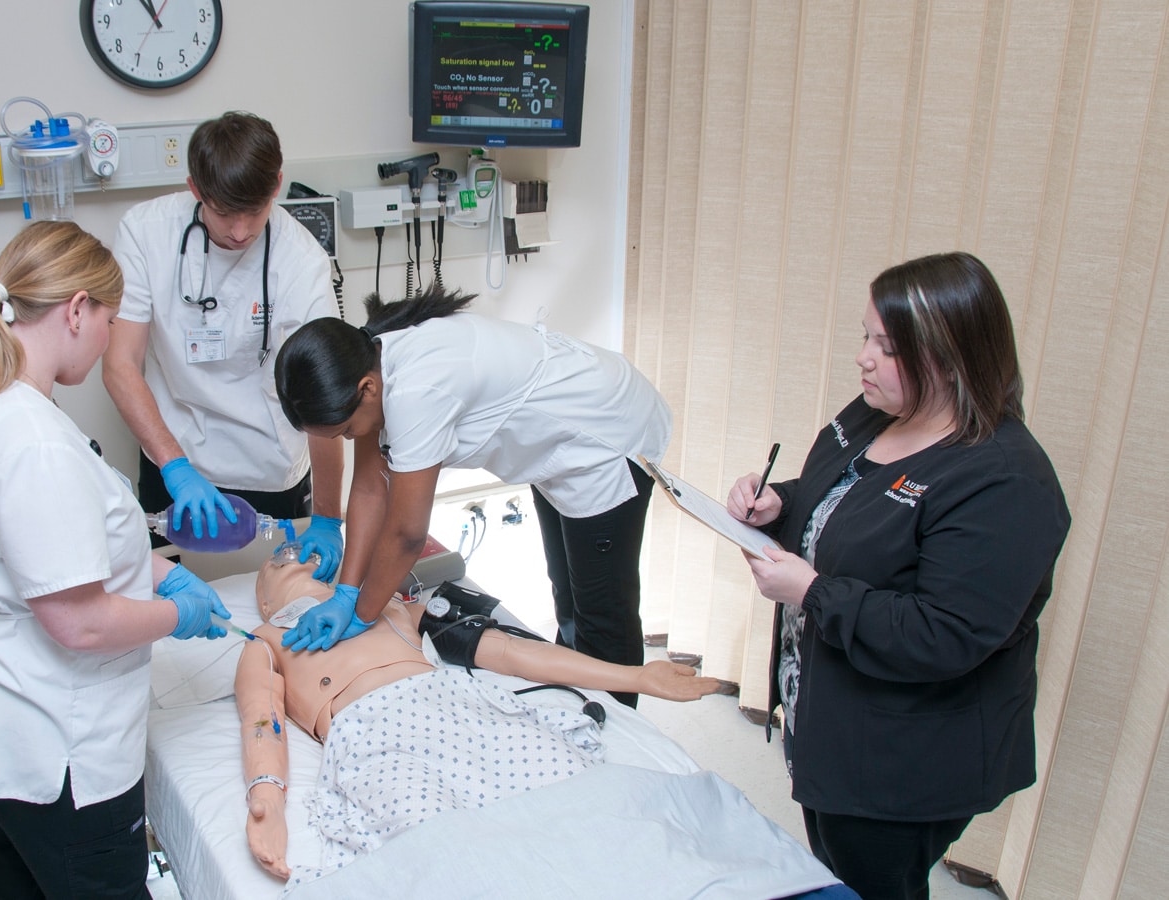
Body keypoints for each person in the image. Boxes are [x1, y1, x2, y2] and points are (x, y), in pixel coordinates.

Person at [725, 252, 1070, 900]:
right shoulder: (876, 413)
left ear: (948, 355)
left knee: (871, 881)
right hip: (830, 721)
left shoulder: (1005, 482)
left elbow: (945, 634)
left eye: (886, 346)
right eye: (867, 336)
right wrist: (783, 505)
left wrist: (810, 592)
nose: (863, 358)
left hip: (902, 761)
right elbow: (848, 507)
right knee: (830, 866)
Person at [0, 221, 233, 899]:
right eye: (109, 319)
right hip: (49, 753)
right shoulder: (33, 444)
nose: (111, 338)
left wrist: (157, 570)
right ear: (77, 309)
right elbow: (78, 623)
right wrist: (176, 612)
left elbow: (48, 549)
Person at [272, 284, 672, 706]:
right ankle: (581, 701)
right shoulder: (367, 361)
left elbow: (406, 534)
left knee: (601, 612)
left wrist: (362, 613)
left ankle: (623, 738)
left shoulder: (416, 392)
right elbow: (371, 488)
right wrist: (346, 592)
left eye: (346, 431)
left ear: (366, 390)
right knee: (569, 594)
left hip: (605, 436)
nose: (352, 438)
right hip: (556, 446)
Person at [234, 555, 731, 881]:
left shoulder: (383, 602)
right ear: (264, 600)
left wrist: (635, 677)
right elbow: (261, 719)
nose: (293, 550)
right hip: (374, 738)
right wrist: (266, 798)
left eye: (301, 547)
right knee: (441, 848)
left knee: (574, 790)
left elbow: (507, 652)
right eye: (276, 558)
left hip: (459, 707)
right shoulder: (264, 639)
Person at [104, 110, 345, 579]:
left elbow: (321, 397)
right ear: (195, 190)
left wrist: (329, 516)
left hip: (267, 468)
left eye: (253, 213)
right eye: (222, 213)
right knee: (170, 599)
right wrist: (175, 467)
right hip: (172, 462)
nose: (239, 232)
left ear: (276, 185)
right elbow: (119, 364)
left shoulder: (301, 263)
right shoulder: (145, 231)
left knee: (268, 604)